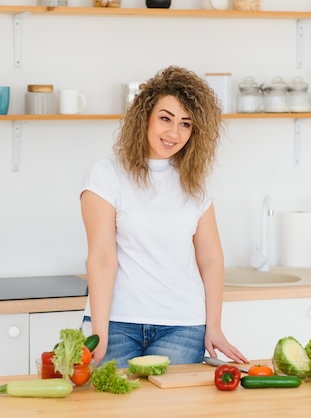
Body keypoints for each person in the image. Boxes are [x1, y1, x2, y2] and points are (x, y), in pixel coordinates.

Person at [79, 66, 248, 368]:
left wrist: (214, 325)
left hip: (182, 326)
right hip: (118, 323)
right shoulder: (107, 175)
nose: (174, 133)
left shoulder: (195, 182)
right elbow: (103, 257)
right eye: (165, 118)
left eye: (185, 124)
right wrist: (99, 332)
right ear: (145, 116)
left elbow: (210, 258)